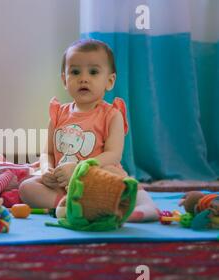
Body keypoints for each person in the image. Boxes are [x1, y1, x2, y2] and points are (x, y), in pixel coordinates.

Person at [19, 39, 158, 222]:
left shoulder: (111, 114)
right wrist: (47, 170)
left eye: (93, 72)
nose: (83, 78)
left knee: (118, 178)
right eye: (75, 72)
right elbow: (48, 152)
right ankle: (70, 205)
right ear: (64, 80)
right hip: (64, 184)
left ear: (109, 81)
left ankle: (141, 206)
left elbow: (113, 155)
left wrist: (78, 169)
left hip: (98, 179)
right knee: (26, 187)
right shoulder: (58, 114)